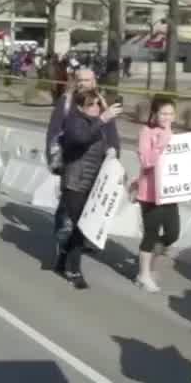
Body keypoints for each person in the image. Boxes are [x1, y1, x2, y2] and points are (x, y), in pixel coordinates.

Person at [57, 88, 123, 289]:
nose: (95, 108)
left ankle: (62, 260)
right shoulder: (74, 121)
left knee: (82, 228)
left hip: (94, 183)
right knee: (82, 227)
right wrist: (103, 118)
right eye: (90, 104)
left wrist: (111, 151)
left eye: (97, 104)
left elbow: (109, 141)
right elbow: (80, 138)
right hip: (75, 183)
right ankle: (74, 270)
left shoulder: (100, 124)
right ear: (79, 107)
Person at [45, 68, 111, 263]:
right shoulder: (67, 103)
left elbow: (111, 131)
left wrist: (114, 153)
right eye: (80, 80)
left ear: (95, 81)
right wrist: (53, 159)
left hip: (95, 164)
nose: (84, 83)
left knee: (85, 208)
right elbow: (54, 131)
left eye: (88, 80)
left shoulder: (100, 101)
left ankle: (75, 245)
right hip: (71, 164)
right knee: (67, 210)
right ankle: (63, 246)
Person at [134, 96, 180, 292]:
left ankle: (150, 263)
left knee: (172, 233)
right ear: (154, 113)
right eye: (163, 113)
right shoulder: (147, 132)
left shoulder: (172, 133)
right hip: (150, 193)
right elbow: (146, 161)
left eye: (170, 113)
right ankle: (144, 274)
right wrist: (161, 144)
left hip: (169, 193)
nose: (167, 117)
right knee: (151, 234)